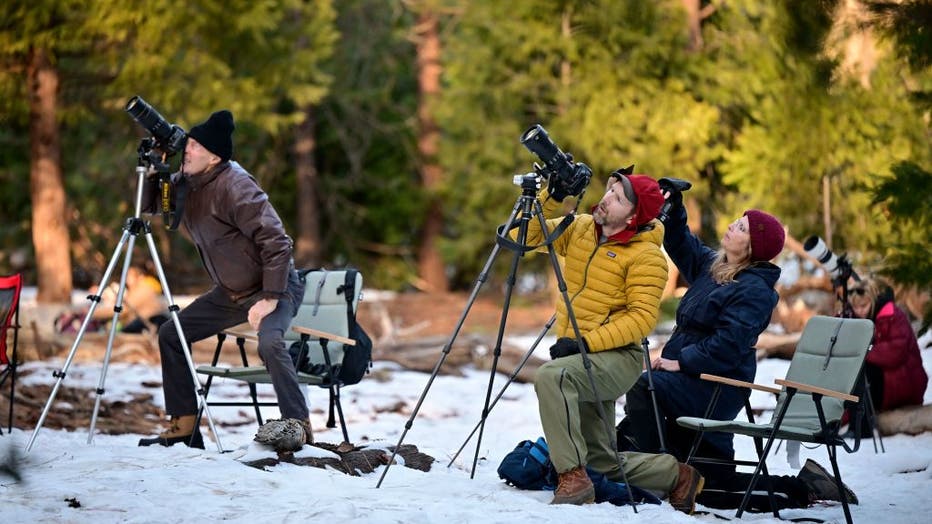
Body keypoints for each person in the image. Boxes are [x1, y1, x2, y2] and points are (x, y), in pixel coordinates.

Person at [616, 181, 857, 510]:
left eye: (741, 227)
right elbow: (682, 243)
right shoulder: (716, 267)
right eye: (737, 221)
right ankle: (667, 472)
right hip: (690, 382)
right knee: (708, 484)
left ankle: (664, 475)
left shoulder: (755, 290)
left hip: (714, 387)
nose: (732, 225)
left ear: (753, 246)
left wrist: (681, 362)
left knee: (645, 387)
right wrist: (672, 209)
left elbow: (727, 346)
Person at [520, 169, 704, 512]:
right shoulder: (580, 229)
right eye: (609, 190)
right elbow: (523, 237)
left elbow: (641, 319)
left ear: (633, 215)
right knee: (602, 462)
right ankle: (676, 476)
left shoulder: (646, 257)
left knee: (551, 377)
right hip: (576, 354)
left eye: (618, 198)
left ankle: (573, 479)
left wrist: (585, 344)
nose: (605, 199)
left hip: (617, 357)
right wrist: (550, 197)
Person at [137, 110, 307, 449]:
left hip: (274, 287)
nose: (187, 148)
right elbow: (152, 207)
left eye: (196, 145)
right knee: (172, 334)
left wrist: (270, 297)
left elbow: (277, 242)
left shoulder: (236, 185)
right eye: (189, 142)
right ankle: (184, 427)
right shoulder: (189, 180)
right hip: (230, 292)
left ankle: (297, 427)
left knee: (271, 342)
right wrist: (153, 171)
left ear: (214, 157)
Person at [843, 277, 928, 438]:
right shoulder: (858, 317)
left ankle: (862, 428)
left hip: (905, 380)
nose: (859, 310)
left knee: (864, 370)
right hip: (886, 378)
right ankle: (844, 422)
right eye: (855, 307)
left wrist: (865, 351)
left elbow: (896, 352)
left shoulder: (893, 316)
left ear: (873, 301)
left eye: (863, 306)